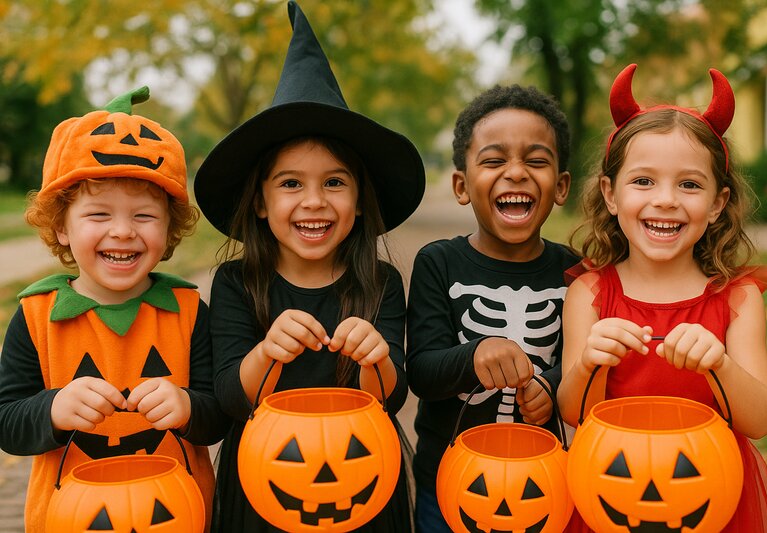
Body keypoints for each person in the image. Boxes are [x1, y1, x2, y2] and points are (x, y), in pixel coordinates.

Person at [193, 2, 425, 532]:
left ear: (361, 201)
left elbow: (390, 397)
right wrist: (265, 351)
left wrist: (377, 357)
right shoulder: (237, 281)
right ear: (260, 202)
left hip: (360, 477)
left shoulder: (380, 283)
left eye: (335, 183)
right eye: (291, 183)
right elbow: (229, 396)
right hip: (266, 481)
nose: (314, 201)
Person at [558, 63, 767, 531]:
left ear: (718, 203)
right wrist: (588, 364)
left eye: (689, 184)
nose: (665, 199)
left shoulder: (738, 298)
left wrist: (720, 364)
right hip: (610, 486)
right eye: (643, 181)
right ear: (611, 193)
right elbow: (574, 413)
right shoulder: (590, 293)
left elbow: (761, 420)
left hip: (709, 490)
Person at [0, 87, 228, 531]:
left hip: (176, 513)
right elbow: (7, 421)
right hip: (70, 516)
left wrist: (187, 407)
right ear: (61, 227)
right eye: (99, 216)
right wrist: (52, 409)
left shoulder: (187, 311)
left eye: (144, 216)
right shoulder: (35, 316)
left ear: (169, 229)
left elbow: (219, 414)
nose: (122, 231)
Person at [406, 84, 583, 532]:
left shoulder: (576, 272)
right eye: (494, 159)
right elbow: (422, 371)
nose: (516, 173)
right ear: (462, 186)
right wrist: (473, 354)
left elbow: (579, 363)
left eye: (537, 160)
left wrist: (552, 385)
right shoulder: (437, 262)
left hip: (543, 485)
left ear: (561, 186)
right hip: (448, 485)